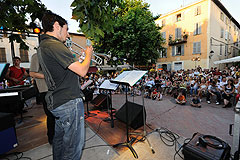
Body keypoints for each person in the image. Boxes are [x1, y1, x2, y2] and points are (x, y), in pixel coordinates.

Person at [38, 11, 93, 160]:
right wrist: (88, 55)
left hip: (59, 102)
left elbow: (68, 70)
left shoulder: (44, 45)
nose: (68, 35)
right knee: (73, 148)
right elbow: (82, 71)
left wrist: (81, 59)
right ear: (57, 26)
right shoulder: (54, 45)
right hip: (69, 102)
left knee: (60, 143)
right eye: (67, 29)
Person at [29, 53, 55, 145]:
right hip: (45, 90)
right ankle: (51, 137)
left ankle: (59, 136)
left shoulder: (52, 55)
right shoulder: (37, 56)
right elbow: (32, 73)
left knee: (58, 114)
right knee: (51, 115)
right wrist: (49, 76)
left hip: (56, 89)